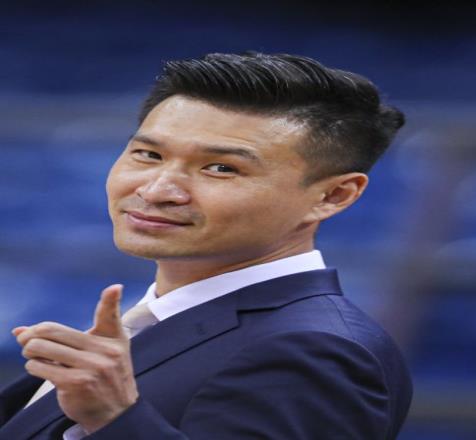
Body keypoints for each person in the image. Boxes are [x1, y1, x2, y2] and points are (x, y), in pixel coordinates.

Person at [0, 52, 412, 439]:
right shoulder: (163, 321)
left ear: (334, 196)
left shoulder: (316, 351)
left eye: (220, 168)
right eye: (148, 154)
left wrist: (115, 419)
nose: (157, 190)